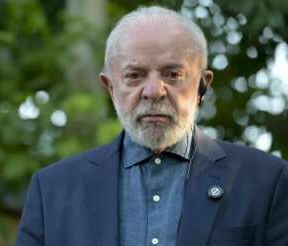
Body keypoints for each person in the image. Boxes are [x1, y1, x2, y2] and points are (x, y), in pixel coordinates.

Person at [15, 6, 288, 246]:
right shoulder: (52, 189)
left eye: (173, 74)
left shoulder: (268, 181)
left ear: (202, 85)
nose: (154, 91)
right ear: (110, 87)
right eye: (134, 75)